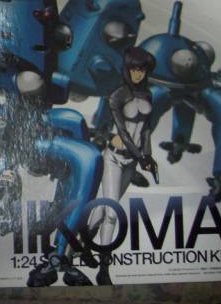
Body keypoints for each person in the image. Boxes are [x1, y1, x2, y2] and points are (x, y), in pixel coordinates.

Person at [88, 46, 158, 285]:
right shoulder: (117, 95)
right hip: (115, 159)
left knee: (104, 208)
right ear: (127, 69)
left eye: (142, 70)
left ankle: (81, 246)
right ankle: (103, 269)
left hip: (132, 162)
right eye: (134, 69)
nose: (138, 74)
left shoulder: (147, 95)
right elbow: (124, 133)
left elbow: (145, 131)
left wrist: (148, 156)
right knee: (111, 213)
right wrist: (142, 157)